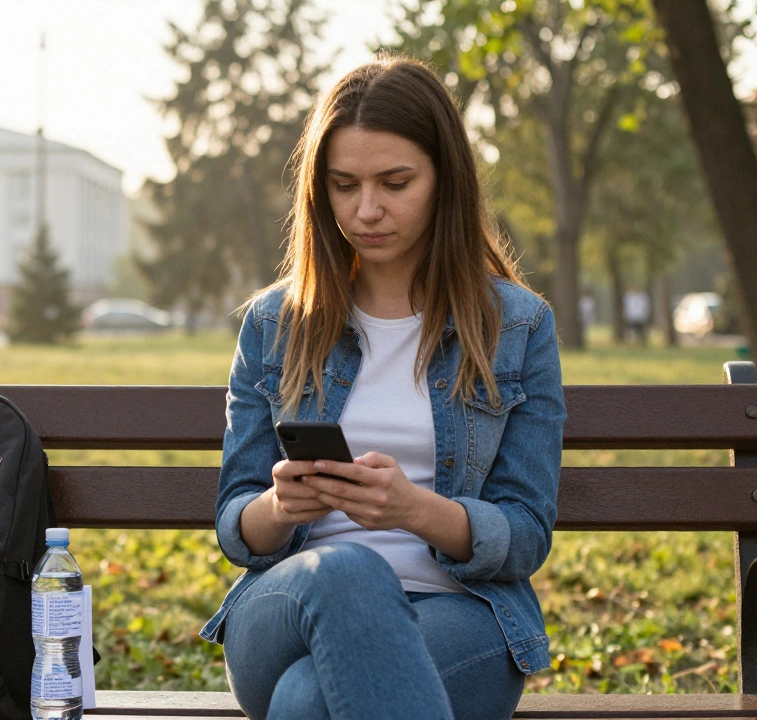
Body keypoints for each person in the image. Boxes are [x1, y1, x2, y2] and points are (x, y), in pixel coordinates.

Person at [198, 56, 567, 720]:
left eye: (395, 183)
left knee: (308, 703)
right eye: (344, 185)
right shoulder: (274, 326)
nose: (367, 210)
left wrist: (413, 509)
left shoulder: (517, 327)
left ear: (444, 181)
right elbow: (235, 524)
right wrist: (281, 507)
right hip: (286, 610)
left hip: (461, 614)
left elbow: (525, 534)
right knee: (348, 571)